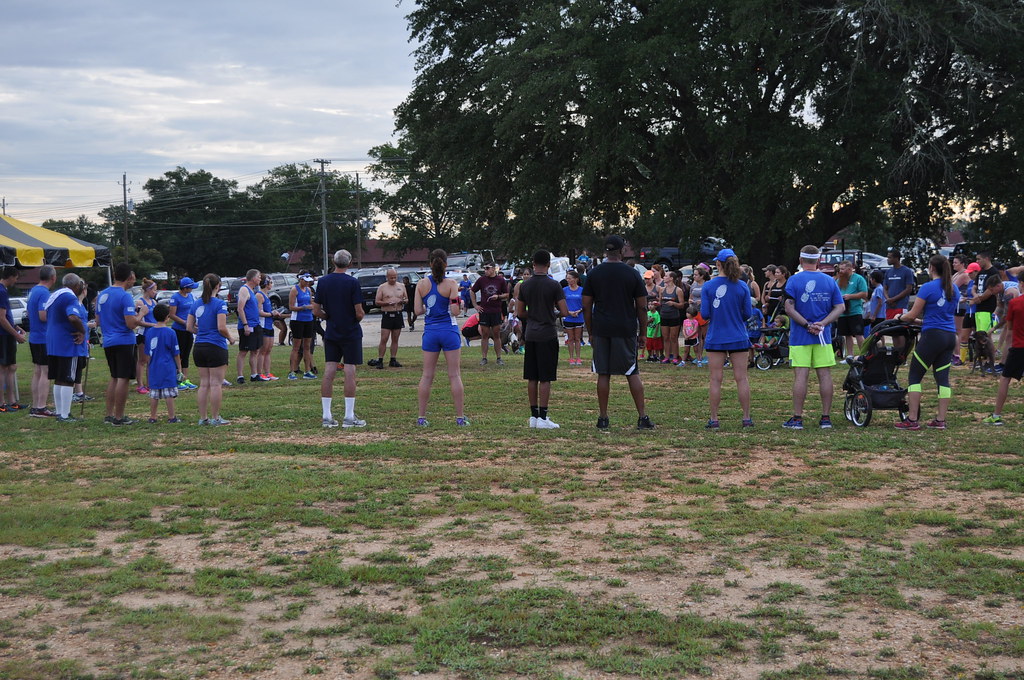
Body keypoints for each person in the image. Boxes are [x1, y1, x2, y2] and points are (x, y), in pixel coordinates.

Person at [582, 235, 653, 431]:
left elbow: (586, 306)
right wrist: (643, 333)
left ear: (605, 251)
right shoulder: (631, 274)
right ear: (622, 251)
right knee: (631, 372)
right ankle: (642, 417)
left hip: (602, 327)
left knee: (603, 373)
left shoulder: (594, 273)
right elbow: (641, 307)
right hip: (625, 328)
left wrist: (591, 331)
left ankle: (603, 418)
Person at [894, 255, 960, 430]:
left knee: (915, 376)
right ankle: (940, 420)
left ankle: (912, 419)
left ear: (931, 268)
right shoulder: (953, 289)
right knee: (942, 379)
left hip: (932, 337)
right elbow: (941, 317)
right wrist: (919, 323)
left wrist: (900, 317)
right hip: (949, 336)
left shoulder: (928, 288)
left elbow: (912, 314)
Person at [782, 246, 845, 430]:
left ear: (801, 260)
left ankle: (797, 418)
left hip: (801, 336)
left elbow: (789, 308)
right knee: (824, 375)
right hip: (823, 336)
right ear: (818, 261)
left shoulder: (794, 280)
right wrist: (823, 324)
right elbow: (840, 307)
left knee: (801, 375)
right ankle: (826, 418)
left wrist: (807, 325)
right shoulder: (829, 281)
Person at [415, 249, 468, 426]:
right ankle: (460, 417)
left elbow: (417, 311)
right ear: (446, 264)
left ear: (430, 264)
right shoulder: (452, 283)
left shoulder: (421, 284)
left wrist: (429, 307)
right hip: (449, 331)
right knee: (454, 375)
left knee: (427, 375)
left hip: (430, 332)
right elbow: (454, 311)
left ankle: (422, 417)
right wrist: (458, 304)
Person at [313, 249, 366, 428]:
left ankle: (327, 415)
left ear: (334, 263)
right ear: (349, 263)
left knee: (329, 370)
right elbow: (359, 312)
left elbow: (316, 310)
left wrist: (329, 317)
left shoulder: (323, 282)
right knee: (350, 371)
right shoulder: (352, 282)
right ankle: (349, 416)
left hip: (332, 331)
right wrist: (357, 317)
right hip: (350, 331)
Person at [516, 250, 569, 429]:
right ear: (548, 265)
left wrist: (534, 314)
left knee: (532, 376)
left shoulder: (524, 285)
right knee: (545, 377)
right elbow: (564, 311)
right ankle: (544, 418)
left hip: (531, 333)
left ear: (533, 264)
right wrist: (549, 312)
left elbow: (520, 312)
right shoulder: (554, 285)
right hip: (547, 334)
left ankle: (533, 416)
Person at [701, 249, 754, 429]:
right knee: (742, 378)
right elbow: (747, 313)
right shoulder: (742, 286)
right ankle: (746, 418)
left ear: (718, 264)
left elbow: (705, 314)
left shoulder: (708, 286)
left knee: (716, 379)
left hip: (716, 337)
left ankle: (714, 419)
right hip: (738, 336)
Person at [97, 263, 144, 425]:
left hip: (108, 340)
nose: (133, 282)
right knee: (123, 378)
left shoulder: (102, 295)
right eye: (133, 279)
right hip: (124, 340)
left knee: (114, 377)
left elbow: (98, 320)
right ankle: (119, 417)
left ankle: (109, 415)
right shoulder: (125, 296)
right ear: (129, 278)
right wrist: (142, 314)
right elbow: (131, 324)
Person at [187, 274, 234, 425]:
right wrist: (230, 338)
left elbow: (189, 327)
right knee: (215, 384)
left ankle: (203, 418)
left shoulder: (195, 304)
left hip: (199, 346)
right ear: (218, 286)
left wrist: (201, 332)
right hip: (215, 346)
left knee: (204, 383)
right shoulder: (220, 304)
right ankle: (216, 418)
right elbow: (221, 327)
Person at [44, 273, 88, 422]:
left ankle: (59, 411)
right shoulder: (70, 297)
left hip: (53, 342)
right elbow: (73, 317)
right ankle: (64, 414)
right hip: (67, 342)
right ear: (76, 286)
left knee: (58, 378)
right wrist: (82, 331)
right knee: (69, 379)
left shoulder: (55, 295)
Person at [982, 279, 1024, 425]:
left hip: (1019, 347)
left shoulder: (1015, 303)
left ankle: (996, 415)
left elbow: (1010, 328)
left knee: (1005, 379)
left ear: (1022, 283)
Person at [144, 304, 182, 423]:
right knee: (169, 393)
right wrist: (179, 368)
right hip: (167, 366)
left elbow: (148, 353)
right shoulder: (170, 332)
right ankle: (172, 417)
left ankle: (153, 417)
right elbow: (175, 352)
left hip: (154, 366)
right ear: (167, 317)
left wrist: (148, 367)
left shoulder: (149, 332)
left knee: (154, 393)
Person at [27, 264, 57, 417]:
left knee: (38, 371)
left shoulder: (33, 290)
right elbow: (43, 315)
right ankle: (41, 407)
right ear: (53, 277)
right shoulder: (45, 293)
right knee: (45, 371)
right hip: (43, 337)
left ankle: (35, 405)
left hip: (34, 336)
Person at [970, 251, 1004, 373]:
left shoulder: (993, 272)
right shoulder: (981, 272)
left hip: (988, 308)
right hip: (979, 308)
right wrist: (975, 296)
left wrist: (978, 299)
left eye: (979, 259)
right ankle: (984, 361)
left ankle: (991, 361)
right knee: (980, 335)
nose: (977, 262)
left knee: (987, 336)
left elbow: (991, 290)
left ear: (986, 258)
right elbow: (974, 287)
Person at [471, 262, 509, 366]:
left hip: (496, 311)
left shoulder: (500, 280)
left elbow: (506, 294)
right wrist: (475, 305)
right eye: (484, 268)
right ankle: (484, 358)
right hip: (485, 311)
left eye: (487, 268)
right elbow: (472, 291)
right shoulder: (482, 280)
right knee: (485, 335)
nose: (485, 270)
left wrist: (498, 297)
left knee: (497, 335)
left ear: (493, 269)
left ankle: (499, 358)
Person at [0, 266, 27, 412]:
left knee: (11, 367)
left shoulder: (3, 290)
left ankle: (12, 401)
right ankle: (2, 403)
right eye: (16, 277)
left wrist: (16, 328)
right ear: (11, 276)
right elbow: (1, 318)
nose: (16, 281)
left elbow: (6, 317)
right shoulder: (1, 291)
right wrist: (16, 335)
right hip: (3, 335)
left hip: (7, 334)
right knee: (3, 368)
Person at [369, 268, 408, 369]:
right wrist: (386, 303)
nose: (393, 279)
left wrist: (403, 301)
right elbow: (377, 301)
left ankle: (393, 359)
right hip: (387, 314)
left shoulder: (401, 286)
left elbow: (406, 298)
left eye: (395, 277)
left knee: (395, 338)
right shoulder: (382, 287)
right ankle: (380, 359)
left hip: (398, 313)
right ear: (387, 277)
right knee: (384, 338)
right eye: (391, 278)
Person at [168, 277, 199, 390]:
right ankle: (177, 379)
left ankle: (185, 379)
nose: (192, 289)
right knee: (178, 356)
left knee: (186, 355)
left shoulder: (191, 296)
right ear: (185, 288)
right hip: (178, 331)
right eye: (191, 287)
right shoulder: (175, 297)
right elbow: (172, 315)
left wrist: (194, 323)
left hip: (188, 330)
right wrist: (185, 322)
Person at [836, 260, 869, 358]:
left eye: (843, 269)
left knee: (858, 334)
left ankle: (863, 354)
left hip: (855, 311)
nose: (840, 271)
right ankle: (849, 355)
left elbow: (864, 294)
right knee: (847, 334)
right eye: (840, 269)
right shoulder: (839, 280)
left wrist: (850, 296)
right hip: (843, 311)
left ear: (849, 269)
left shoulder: (858, 279)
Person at [235, 268, 263, 384]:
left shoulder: (253, 290)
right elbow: (240, 308)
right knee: (243, 351)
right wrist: (245, 324)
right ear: (253, 278)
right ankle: (240, 376)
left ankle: (254, 374)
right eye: (259, 277)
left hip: (255, 324)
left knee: (255, 350)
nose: (260, 279)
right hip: (247, 326)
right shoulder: (244, 290)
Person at [288, 272, 317, 379]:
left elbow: (311, 302)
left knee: (307, 346)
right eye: (306, 281)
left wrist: (312, 306)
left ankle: (307, 371)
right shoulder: (294, 290)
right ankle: (292, 372)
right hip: (297, 320)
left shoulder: (308, 290)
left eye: (309, 281)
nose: (307, 283)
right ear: (301, 280)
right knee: (296, 347)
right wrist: (303, 308)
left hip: (308, 319)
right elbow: (291, 307)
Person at [134, 278, 160, 394]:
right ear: (148, 290)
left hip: (153, 334)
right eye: (154, 290)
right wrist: (151, 324)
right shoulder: (139, 302)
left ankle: (150, 384)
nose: (155, 292)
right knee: (142, 360)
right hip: (144, 334)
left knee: (151, 360)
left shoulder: (154, 302)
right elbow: (137, 320)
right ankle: (140, 384)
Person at [256, 275, 281, 380]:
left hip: (269, 325)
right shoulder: (259, 295)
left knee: (268, 350)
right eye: (270, 282)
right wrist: (271, 313)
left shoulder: (267, 295)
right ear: (266, 283)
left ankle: (267, 373)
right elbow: (259, 312)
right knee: (262, 350)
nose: (272, 284)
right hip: (263, 326)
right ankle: (259, 373)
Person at [659, 271, 684, 364]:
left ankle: (675, 356)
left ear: (671, 278)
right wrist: (657, 303)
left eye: (666, 276)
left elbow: (682, 304)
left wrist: (673, 303)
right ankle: (666, 356)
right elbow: (660, 302)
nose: (664, 277)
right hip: (664, 315)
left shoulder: (678, 290)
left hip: (674, 316)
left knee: (673, 337)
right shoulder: (662, 289)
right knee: (665, 337)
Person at [884, 248, 915, 319]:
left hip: (901, 306)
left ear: (896, 258)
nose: (887, 259)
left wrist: (894, 299)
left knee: (900, 327)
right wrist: (888, 299)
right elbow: (885, 288)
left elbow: (908, 289)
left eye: (890, 257)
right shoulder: (888, 272)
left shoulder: (906, 271)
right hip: (889, 307)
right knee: (889, 327)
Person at [951, 255, 971, 366]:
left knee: (958, 331)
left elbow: (951, 287)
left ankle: (957, 355)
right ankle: (955, 353)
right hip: (956, 304)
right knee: (955, 330)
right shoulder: (956, 274)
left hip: (961, 305)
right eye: (953, 262)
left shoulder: (963, 275)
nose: (953, 264)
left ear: (962, 263)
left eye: (956, 262)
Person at [562, 270, 585, 365]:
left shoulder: (582, 290)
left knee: (577, 338)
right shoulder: (565, 290)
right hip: (568, 317)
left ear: (576, 279)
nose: (568, 280)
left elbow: (585, 303)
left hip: (579, 317)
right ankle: (571, 358)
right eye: (567, 278)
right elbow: (562, 303)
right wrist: (568, 312)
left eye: (570, 278)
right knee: (570, 338)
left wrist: (579, 311)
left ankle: (578, 357)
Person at [865, 270, 886, 337]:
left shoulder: (879, 289)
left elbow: (880, 303)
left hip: (879, 316)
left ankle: (881, 345)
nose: (870, 280)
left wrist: (874, 315)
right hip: (876, 315)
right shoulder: (876, 289)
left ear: (874, 279)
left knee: (877, 333)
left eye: (871, 279)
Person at [745, 298, 765, 369]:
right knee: (750, 347)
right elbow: (745, 322)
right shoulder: (746, 312)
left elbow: (762, 318)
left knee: (758, 346)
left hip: (757, 331)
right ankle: (751, 361)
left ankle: (761, 358)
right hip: (749, 332)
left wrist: (763, 325)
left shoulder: (757, 311)